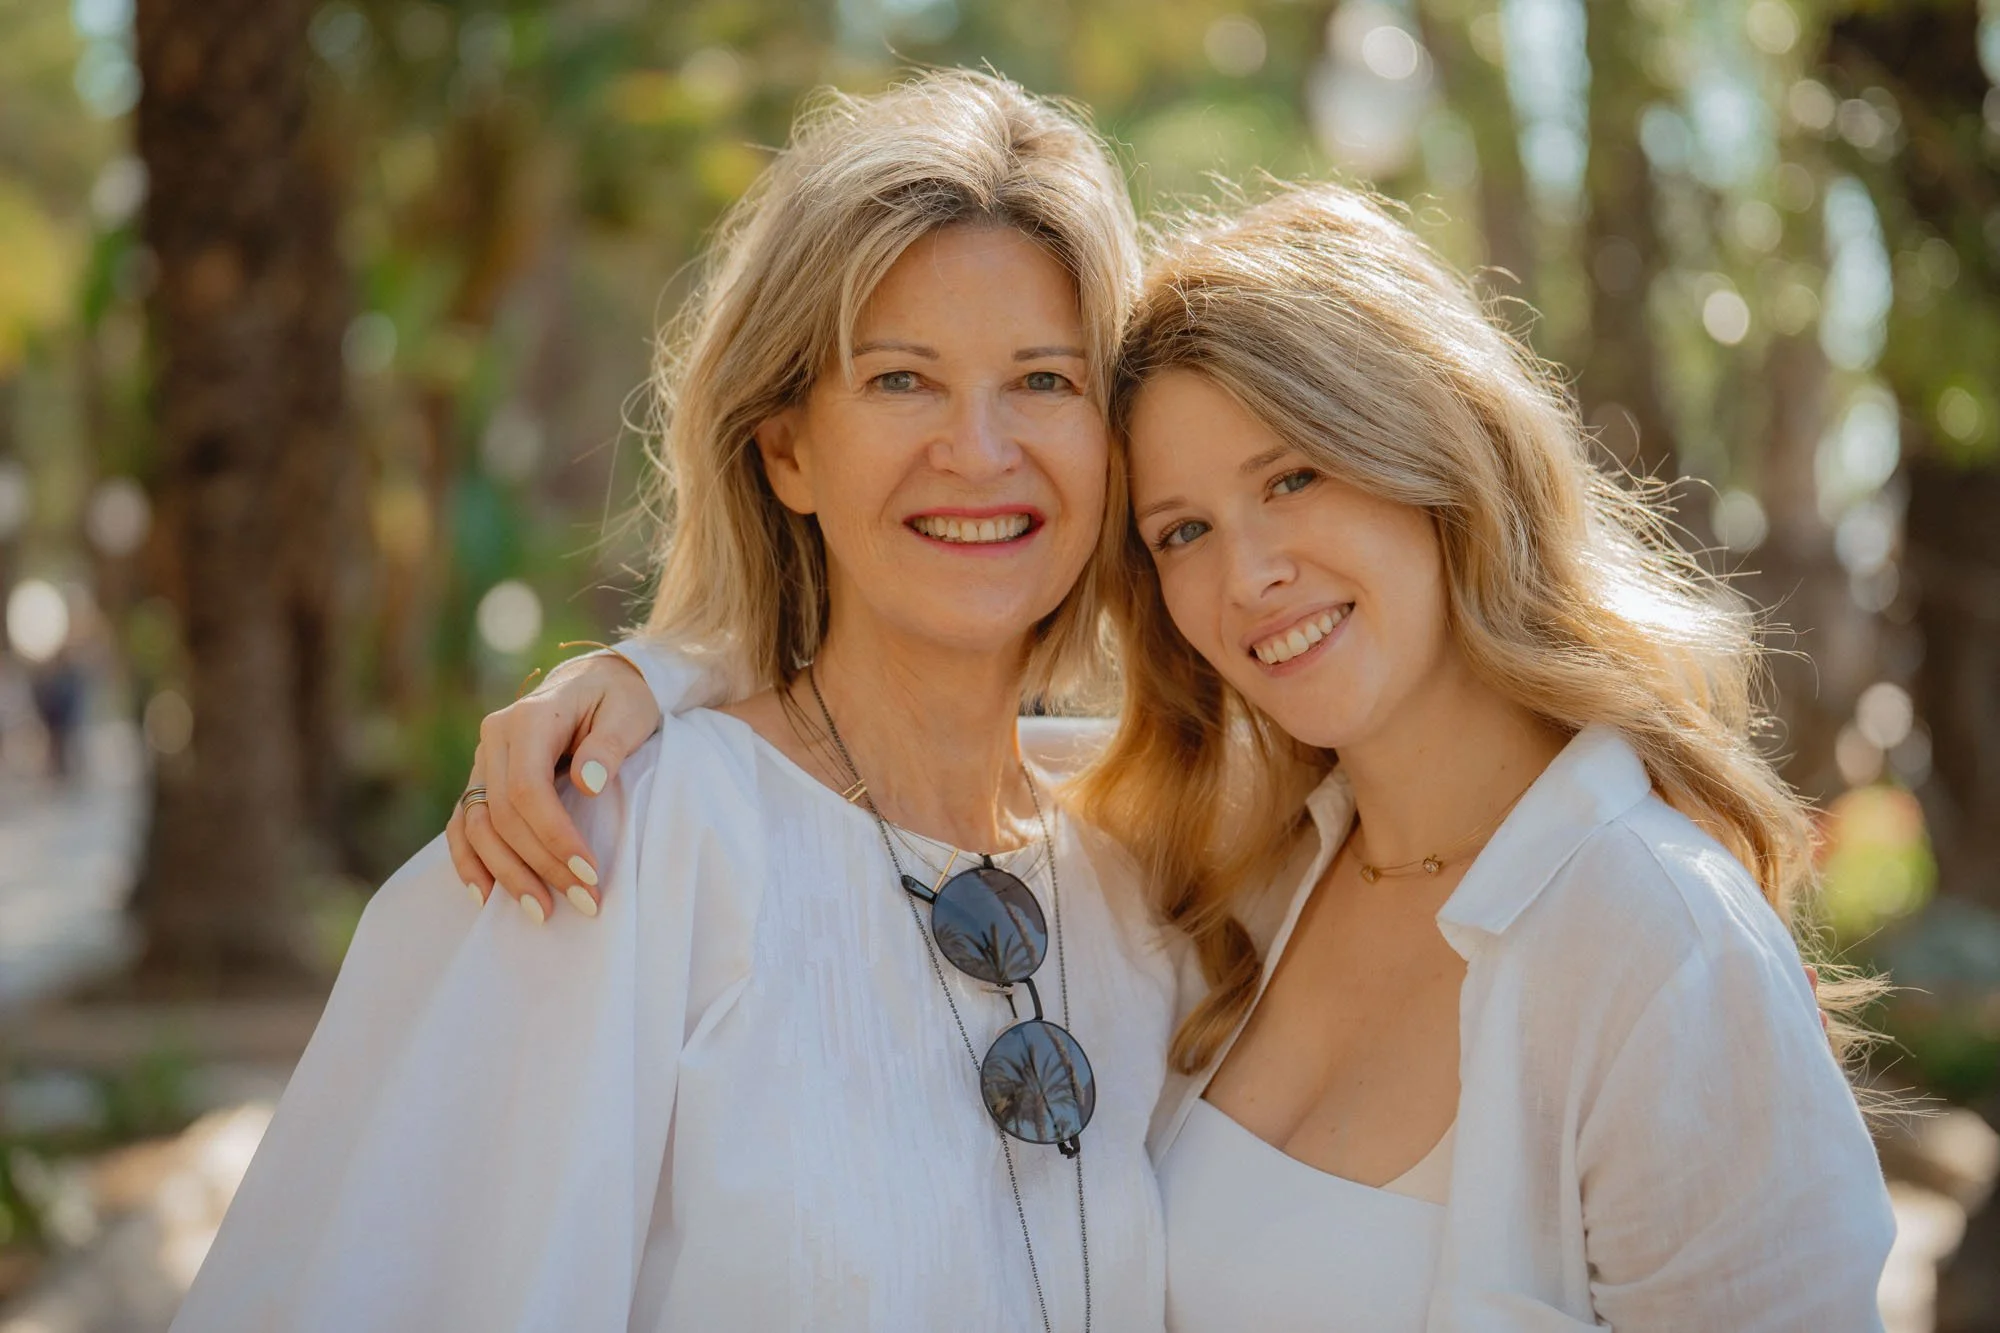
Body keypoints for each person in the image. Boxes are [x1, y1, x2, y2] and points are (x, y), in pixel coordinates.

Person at [460, 184, 1895, 1328]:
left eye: (1295, 476)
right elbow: (908, 761)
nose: (1252, 572)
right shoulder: (1242, 867)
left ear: (1446, 468)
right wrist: (653, 674)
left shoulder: (1652, 934)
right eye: (1183, 531)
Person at [174, 71, 1180, 1333]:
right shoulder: (623, 839)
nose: (979, 450)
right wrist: (665, 673)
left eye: (1044, 380)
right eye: (900, 380)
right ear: (787, 449)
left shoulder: (1154, 875)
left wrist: (662, 666)